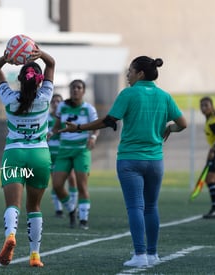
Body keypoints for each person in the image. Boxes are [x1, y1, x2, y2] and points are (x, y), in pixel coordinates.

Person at [60, 56, 187, 267]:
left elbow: (108, 121)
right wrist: (169, 128)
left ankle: (139, 255)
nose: (127, 75)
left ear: (140, 74)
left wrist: (79, 128)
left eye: (130, 71)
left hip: (130, 160)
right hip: (155, 161)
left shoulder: (128, 93)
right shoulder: (164, 96)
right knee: (151, 207)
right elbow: (182, 123)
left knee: (135, 207)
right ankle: (152, 254)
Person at [0, 46, 55, 267]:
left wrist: (7, 57)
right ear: (39, 80)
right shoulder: (46, 97)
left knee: (13, 205)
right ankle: (35, 256)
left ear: (19, 78)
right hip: (39, 155)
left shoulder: (9, 98)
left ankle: (10, 235)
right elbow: (52, 64)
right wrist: (40, 53)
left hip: (14, 154)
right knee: (34, 207)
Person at [50, 79, 99, 229]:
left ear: (83, 91)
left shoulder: (88, 109)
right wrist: (50, 133)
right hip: (64, 150)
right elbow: (57, 126)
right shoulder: (62, 107)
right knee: (57, 185)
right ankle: (72, 209)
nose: (75, 90)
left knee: (82, 186)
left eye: (79, 88)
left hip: (81, 150)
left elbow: (96, 126)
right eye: (73, 88)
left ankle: (83, 220)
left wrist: (93, 137)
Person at [47, 93, 78, 218]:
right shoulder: (45, 117)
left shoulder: (65, 118)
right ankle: (58, 209)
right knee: (54, 181)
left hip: (63, 152)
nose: (55, 104)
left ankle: (73, 206)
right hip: (49, 153)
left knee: (71, 177)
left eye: (58, 101)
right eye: (53, 102)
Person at [199, 96, 215, 218]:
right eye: (202, 106)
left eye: (206, 105)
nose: (203, 108)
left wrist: (214, 150)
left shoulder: (213, 120)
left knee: (210, 180)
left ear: (211, 106)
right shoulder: (210, 119)